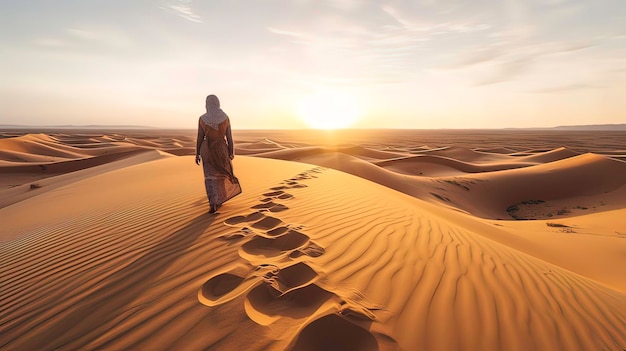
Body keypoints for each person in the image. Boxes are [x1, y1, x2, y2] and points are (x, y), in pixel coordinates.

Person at [195, 94, 242, 213]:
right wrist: (231, 152)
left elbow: (200, 137)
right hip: (221, 148)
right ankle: (219, 200)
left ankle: (213, 202)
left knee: (210, 176)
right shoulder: (225, 118)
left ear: (207, 104)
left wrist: (197, 154)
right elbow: (229, 137)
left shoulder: (202, 119)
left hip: (207, 149)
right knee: (221, 174)